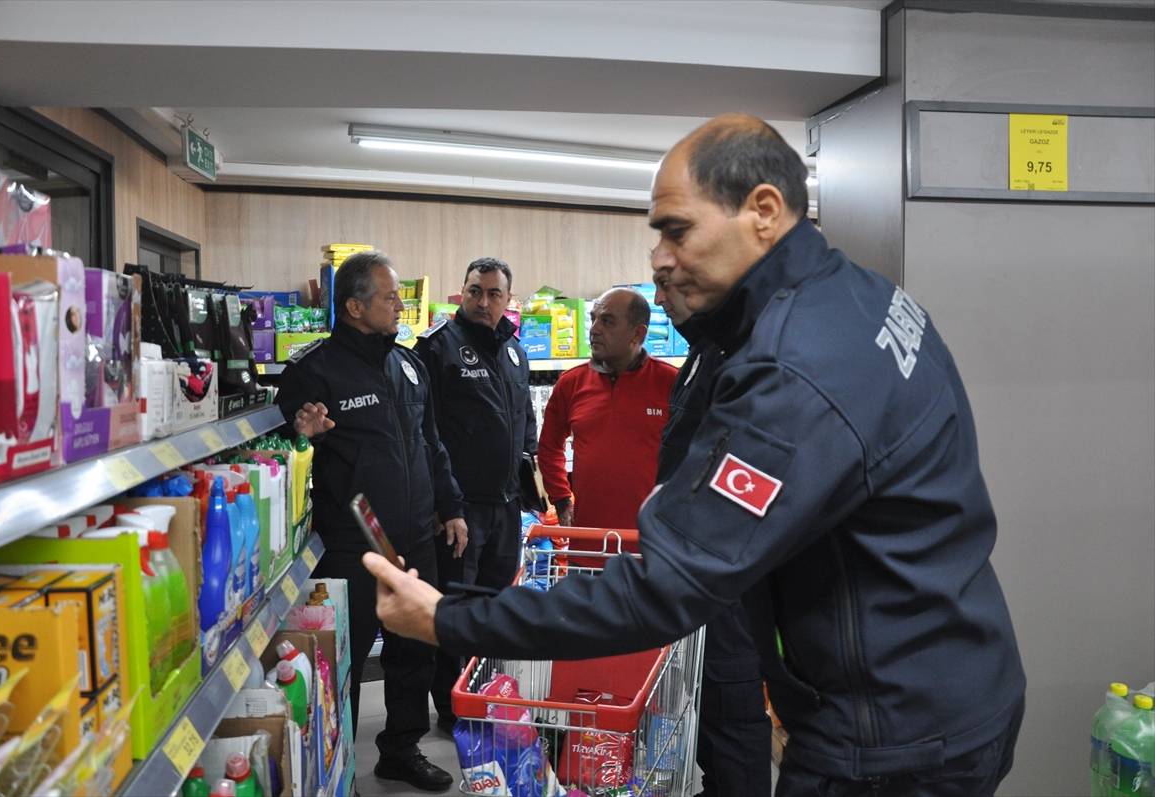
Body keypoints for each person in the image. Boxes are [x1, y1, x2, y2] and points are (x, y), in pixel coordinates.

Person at [364, 115, 1027, 796]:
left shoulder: (795, 369)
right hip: (949, 677)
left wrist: (449, 617)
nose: (658, 257)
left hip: (892, 739)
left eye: (676, 229)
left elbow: (666, 588)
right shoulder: (862, 297)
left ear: (763, 212)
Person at [275, 249, 466, 793]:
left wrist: (449, 506)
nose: (400, 304)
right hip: (351, 540)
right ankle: (336, 771)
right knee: (347, 662)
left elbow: (432, 443)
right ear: (355, 306)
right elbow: (280, 453)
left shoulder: (409, 364)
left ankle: (400, 752)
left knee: (414, 649)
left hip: (412, 537)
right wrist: (299, 435)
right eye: (390, 296)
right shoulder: (311, 371)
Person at [654, 273, 771, 797]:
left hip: (725, 573)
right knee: (699, 697)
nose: (658, 299)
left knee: (732, 704)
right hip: (692, 568)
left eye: (666, 285)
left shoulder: (744, 356)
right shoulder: (703, 351)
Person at [412, 256, 538, 734]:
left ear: (508, 301)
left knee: (495, 609)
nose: (483, 302)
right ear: (460, 293)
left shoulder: (514, 351)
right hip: (461, 512)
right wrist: (448, 506)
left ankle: (487, 696)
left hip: (506, 508)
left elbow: (525, 418)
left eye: (493, 295)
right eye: (474, 292)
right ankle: (453, 708)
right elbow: (427, 435)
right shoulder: (437, 349)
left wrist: (530, 481)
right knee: (457, 611)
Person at [537, 286, 678, 535]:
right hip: (587, 542)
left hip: (650, 544)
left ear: (638, 334)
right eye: (593, 319)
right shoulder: (570, 383)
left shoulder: (672, 383)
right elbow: (549, 447)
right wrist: (561, 500)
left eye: (607, 321)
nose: (593, 330)